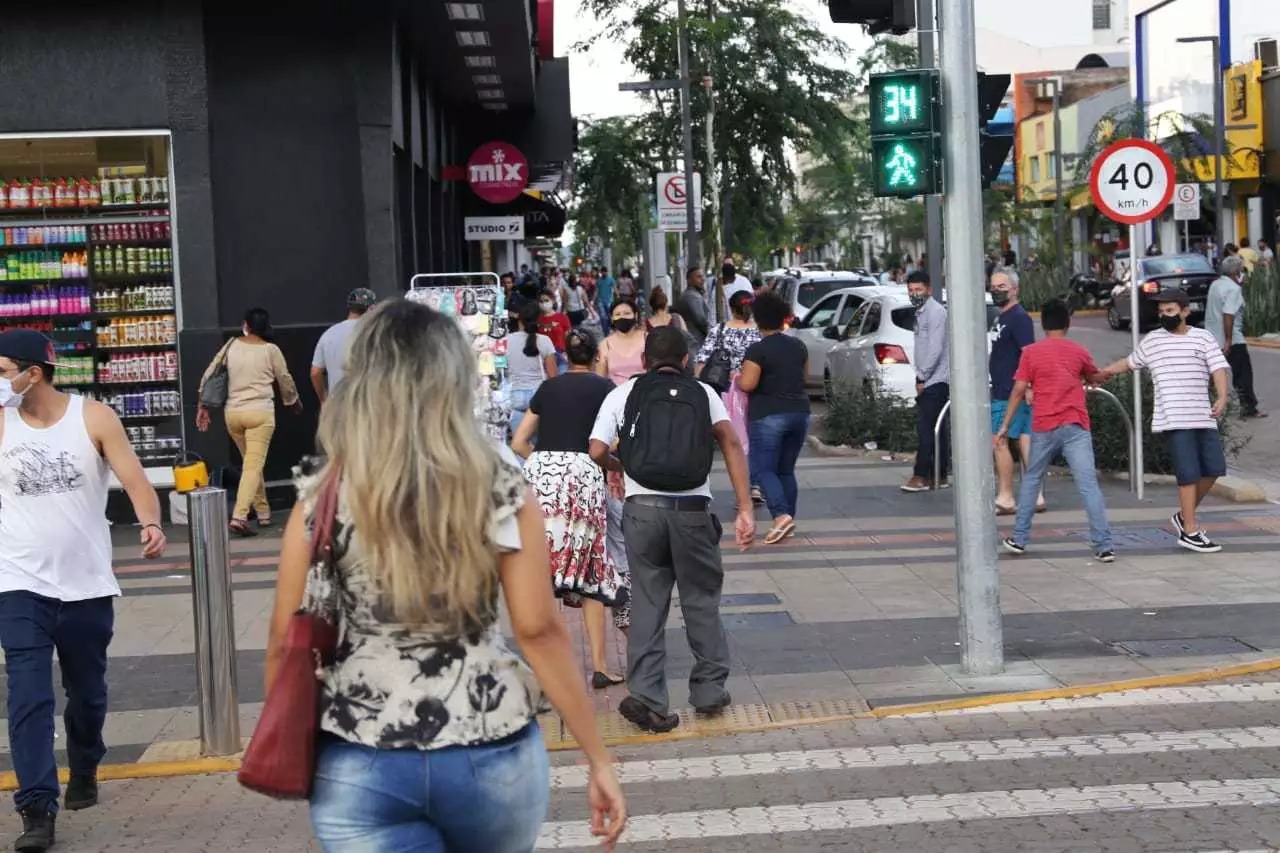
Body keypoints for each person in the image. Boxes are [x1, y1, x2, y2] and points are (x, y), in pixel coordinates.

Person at [265, 300, 626, 850]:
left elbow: (279, 640)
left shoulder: (326, 492)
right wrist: (597, 756)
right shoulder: (499, 479)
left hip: (362, 752)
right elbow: (536, 628)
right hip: (488, 745)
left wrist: (290, 740)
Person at [0, 330, 167, 853]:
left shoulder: (93, 417)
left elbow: (135, 479)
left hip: (85, 585)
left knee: (87, 693)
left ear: (34, 372)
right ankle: (36, 808)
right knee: (27, 697)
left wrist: (151, 522)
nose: (0, 381)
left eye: (4, 370)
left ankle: (86, 763)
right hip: (18, 582)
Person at [589, 327, 755, 733]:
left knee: (647, 603)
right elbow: (731, 444)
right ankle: (709, 692)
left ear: (645, 360)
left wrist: (620, 467)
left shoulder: (623, 394)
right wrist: (745, 506)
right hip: (693, 512)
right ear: (685, 360)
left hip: (642, 513)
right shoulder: (704, 394)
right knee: (700, 600)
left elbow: (595, 449)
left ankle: (647, 696)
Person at [511, 330, 627, 689]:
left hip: (541, 476)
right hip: (583, 475)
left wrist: (546, 464)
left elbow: (518, 441)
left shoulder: (548, 388)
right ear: (595, 356)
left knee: (542, 572)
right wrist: (612, 468)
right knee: (591, 569)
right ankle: (600, 666)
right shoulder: (605, 390)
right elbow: (611, 440)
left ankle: (543, 668)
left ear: (565, 356)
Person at [1097, 290, 1231, 554]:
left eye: (1169, 311)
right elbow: (1130, 362)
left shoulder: (1203, 338)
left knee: (1214, 469)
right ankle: (1190, 530)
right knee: (1188, 475)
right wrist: (1103, 373)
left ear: (1184, 311)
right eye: (1161, 312)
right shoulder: (1154, 341)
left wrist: (1222, 397)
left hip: (1203, 416)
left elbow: (1218, 368)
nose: (1164, 316)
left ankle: (1184, 516)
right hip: (1174, 418)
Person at [995, 298, 1114, 563]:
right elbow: (1093, 376)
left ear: (1043, 324)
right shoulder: (1078, 351)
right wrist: (1104, 375)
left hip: (1044, 426)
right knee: (1088, 485)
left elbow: (1017, 390)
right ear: (1067, 324)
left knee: (1032, 480)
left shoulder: (1031, 353)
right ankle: (1104, 544)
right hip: (1075, 426)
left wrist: (1005, 425)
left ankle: (1019, 538)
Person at [196, 308, 302, 537]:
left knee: (250, 464)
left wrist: (202, 405)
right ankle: (240, 516)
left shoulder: (231, 345)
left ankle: (263, 512)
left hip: (233, 414)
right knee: (253, 466)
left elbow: (209, 374)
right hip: (260, 414)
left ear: (245, 324)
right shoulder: (270, 350)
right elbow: (284, 378)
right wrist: (292, 400)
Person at [737, 292, 810, 544]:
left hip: (768, 414)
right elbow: (805, 376)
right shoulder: (799, 346)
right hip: (799, 412)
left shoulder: (757, 350)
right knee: (786, 470)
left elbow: (747, 383)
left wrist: (737, 378)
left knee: (763, 468)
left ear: (758, 320)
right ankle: (788, 517)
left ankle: (780, 516)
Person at [696, 291, 762, 504]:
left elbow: (702, 360)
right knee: (755, 439)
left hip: (726, 391)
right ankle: (755, 485)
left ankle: (740, 488)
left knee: (733, 441)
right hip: (756, 389)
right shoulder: (760, 331)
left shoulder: (720, 330)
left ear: (730, 308)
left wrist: (699, 386)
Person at [988, 269, 1045, 514]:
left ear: (1014, 289)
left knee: (999, 441)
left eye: (1002, 286)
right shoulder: (1001, 317)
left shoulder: (1019, 318)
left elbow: (1028, 353)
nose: (997, 290)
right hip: (1004, 387)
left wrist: (1029, 386)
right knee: (1024, 440)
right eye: (994, 286)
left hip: (1012, 390)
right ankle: (1036, 496)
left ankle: (1006, 496)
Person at [902, 270, 950, 492]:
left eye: (918, 289)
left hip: (936, 380)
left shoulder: (935, 312)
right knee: (935, 430)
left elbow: (935, 348)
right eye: (911, 290)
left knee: (926, 429)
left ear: (929, 290)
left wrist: (923, 375)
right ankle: (938, 475)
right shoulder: (921, 313)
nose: (914, 294)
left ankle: (921, 475)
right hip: (928, 379)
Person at [1206, 255, 1266, 419]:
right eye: (1240, 269)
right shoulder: (1233, 289)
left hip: (1212, 337)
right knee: (1243, 374)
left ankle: (1209, 405)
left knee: (1214, 374)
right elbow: (1228, 314)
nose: (1242, 271)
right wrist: (1229, 340)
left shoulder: (1216, 285)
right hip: (1232, 339)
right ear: (1235, 271)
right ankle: (1249, 407)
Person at [310, 287, 377, 407]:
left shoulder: (329, 334)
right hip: (367, 405)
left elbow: (315, 373)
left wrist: (324, 401)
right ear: (372, 308)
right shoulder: (374, 334)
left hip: (337, 406)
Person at [509, 302, 559, 439]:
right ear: (539, 320)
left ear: (519, 319)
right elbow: (553, 376)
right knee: (540, 444)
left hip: (515, 395)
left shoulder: (506, 341)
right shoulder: (544, 341)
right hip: (538, 395)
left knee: (519, 443)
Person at [597, 298, 646, 386]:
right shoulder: (605, 344)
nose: (622, 317)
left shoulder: (647, 339)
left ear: (635, 315)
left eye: (627, 313)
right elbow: (600, 379)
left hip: (644, 394)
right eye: (617, 314)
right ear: (612, 318)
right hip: (615, 396)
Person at [673, 267, 711, 349]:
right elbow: (702, 322)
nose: (702, 279)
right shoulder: (693, 297)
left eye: (702, 276)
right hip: (696, 343)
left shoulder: (688, 295)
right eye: (698, 277)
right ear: (689, 280)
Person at [537, 290, 573, 374]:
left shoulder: (562, 318)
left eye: (546, 300)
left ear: (553, 301)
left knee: (562, 382)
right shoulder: (538, 319)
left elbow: (569, 337)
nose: (543, 303)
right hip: (543, 357)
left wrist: (569, 354)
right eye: (541, 301)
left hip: (560, 355)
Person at [596, 267, 616, 333]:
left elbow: (615, 288)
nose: (604, 273)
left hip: (609, 301)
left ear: (607, 272)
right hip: (600, 301)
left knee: (609, 315)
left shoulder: (611, 280)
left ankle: (609, 327)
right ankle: (605, 330)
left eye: (605, 271)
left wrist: (618, 296)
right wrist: (593, 300)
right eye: (603, 272)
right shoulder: (598, 280)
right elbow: (596, 291)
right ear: (601, 272)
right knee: (602, 316)